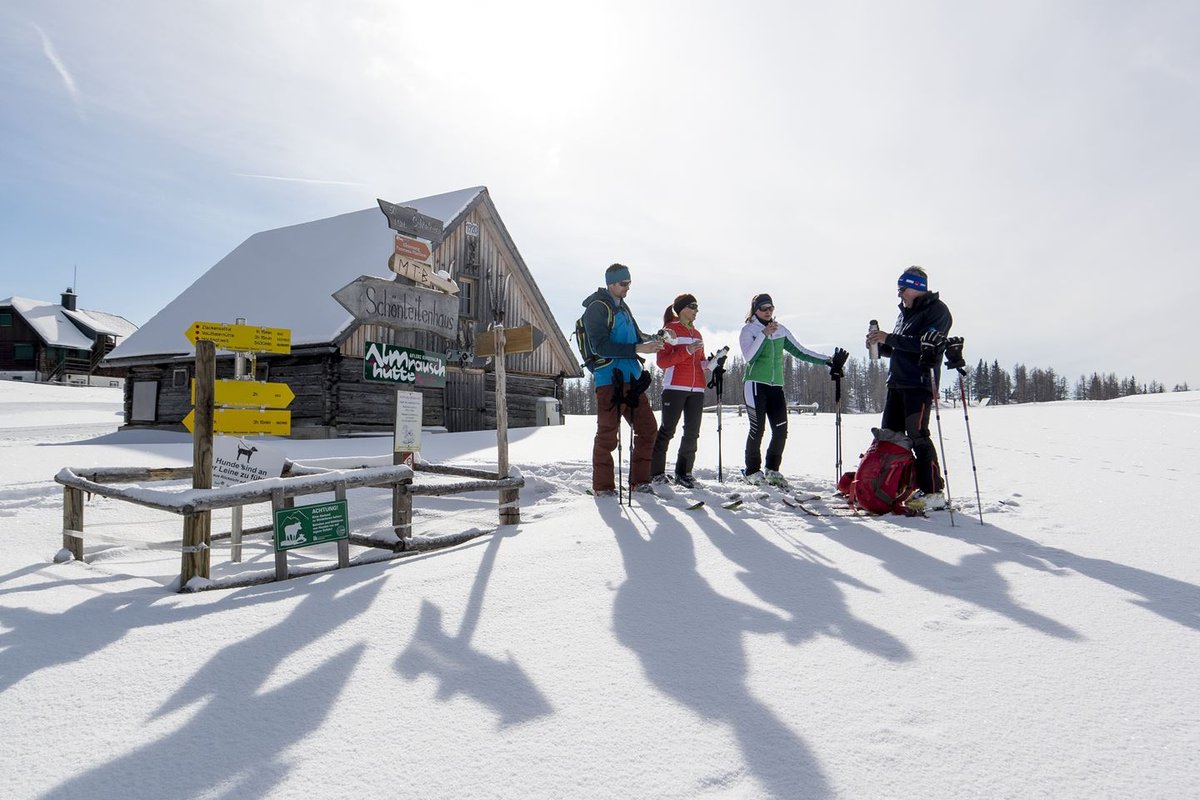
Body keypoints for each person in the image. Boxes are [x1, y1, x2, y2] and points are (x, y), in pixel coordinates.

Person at [865, 266, 953, 510]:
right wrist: (879, 345)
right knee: (890, 436)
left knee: (917, 437)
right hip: (897, 382)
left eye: (902, 289)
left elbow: (925, 345)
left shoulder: (938, 311)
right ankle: (891, 485)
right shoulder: (905, 313)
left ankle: (933, 491)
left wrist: (888, 338)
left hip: (919, 383)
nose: (899, 294)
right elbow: (898, 348)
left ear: (917, 287)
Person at [739, 293, 839, 487]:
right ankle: (752, 471)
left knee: (780, 430)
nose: (768, 312)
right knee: (757, 429)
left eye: (771, 308)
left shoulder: (780, 330)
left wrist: (828, 360)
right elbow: (750, 357)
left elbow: (801, 351)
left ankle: (772, 469)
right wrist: (763, 335)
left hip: (776, 387)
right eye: (763, 308)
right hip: (755, 385)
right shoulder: (749, 330)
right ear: (755, 310)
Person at [581, 263, 664, 496]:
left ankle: (640, 482)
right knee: (608, 433)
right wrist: (639, 347)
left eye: (629, 283)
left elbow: (638, 336)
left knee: (648, 429)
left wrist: (657, 339)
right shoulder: (597, 307)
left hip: (632, 378)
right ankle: (604, 487)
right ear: (611, 283)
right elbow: (601, 346)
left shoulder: (623, 308)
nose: (628, 288)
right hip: (609, 379)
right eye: (623, 283)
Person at [650, 293, 708, 489]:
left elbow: (699, 362)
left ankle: (684, 473)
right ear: (682, 308)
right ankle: (656, 473)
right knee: (667, 430)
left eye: (697, 307)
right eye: (693, 306)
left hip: (696, 389)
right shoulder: (669, 331)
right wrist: (687, 351)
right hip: (674, 387)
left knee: (692, 433)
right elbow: (662, 362)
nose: (696, 311)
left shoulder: (698, 334)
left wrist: (712, 364)